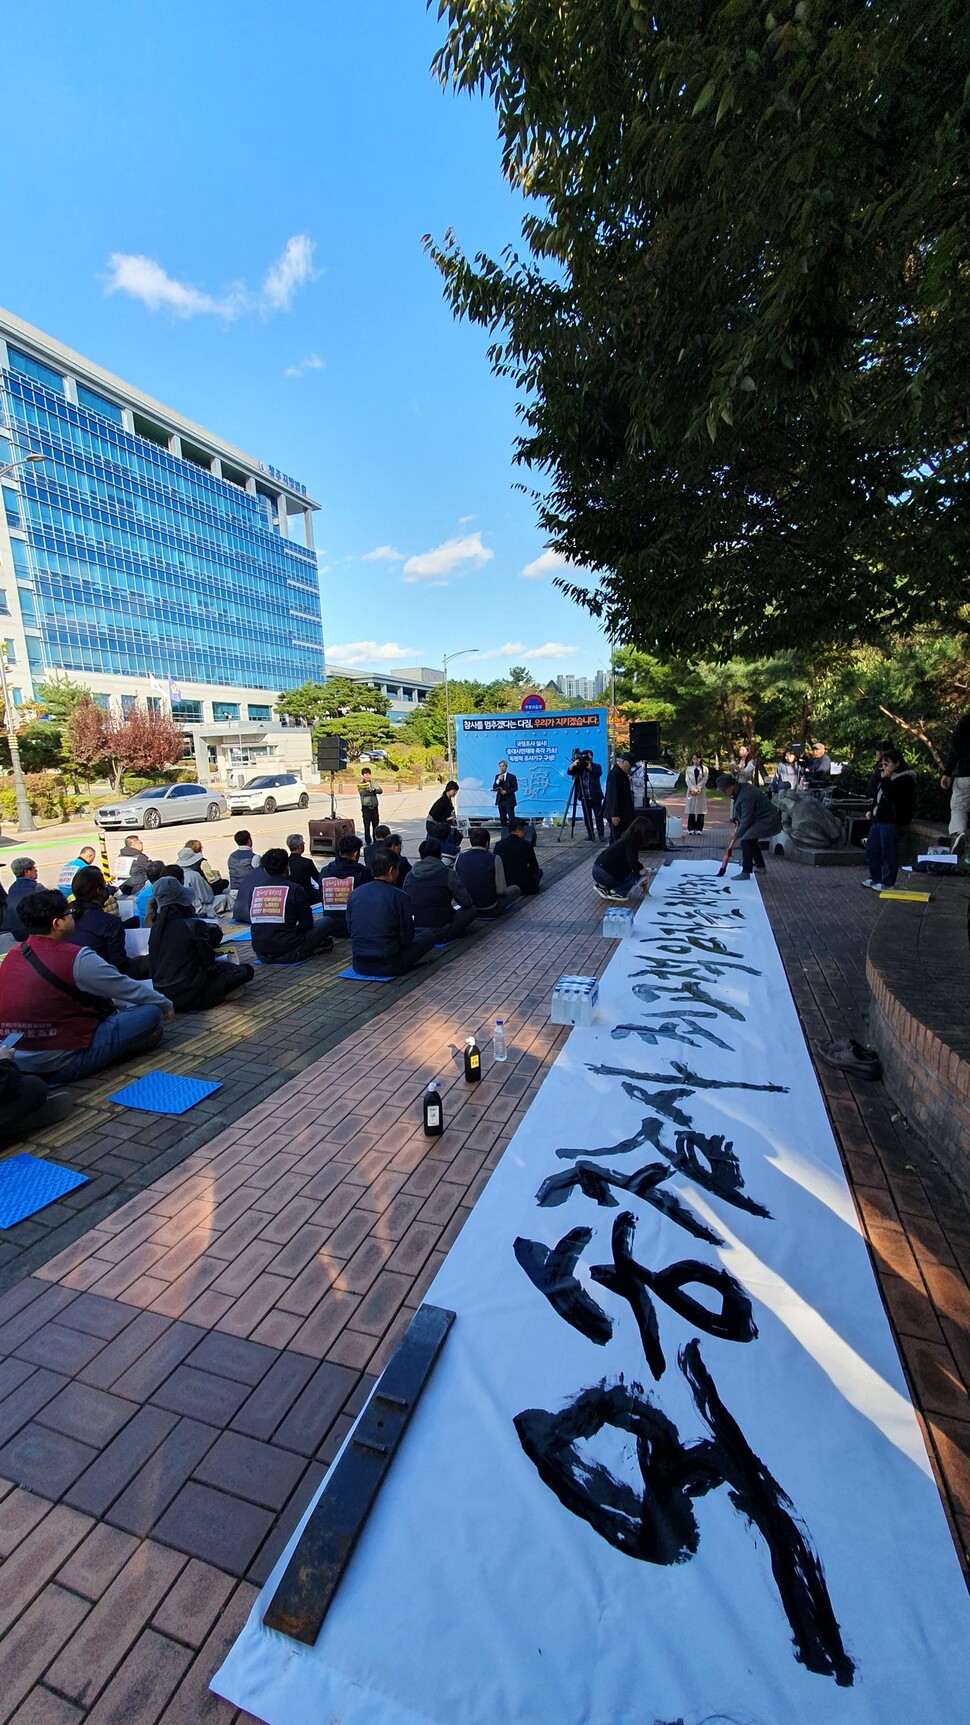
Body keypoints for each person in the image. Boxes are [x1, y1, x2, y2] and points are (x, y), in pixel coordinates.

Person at [0, 889, 173, 1081]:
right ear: (57, 924)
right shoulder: (76, 957)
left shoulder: (14, 954)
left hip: (15, 1057)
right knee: (150, 1012)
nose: (73, 918)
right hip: (61, 1061)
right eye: (69, 914)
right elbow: (127, 988)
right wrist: (165, 1004)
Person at [148, 876, 254, 1011]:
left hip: (164, 993)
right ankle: (219, 996)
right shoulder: (193, 926)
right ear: (183, 901)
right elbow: (210, 967)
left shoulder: (156, 928)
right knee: (245, 970)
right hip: (192, 993)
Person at [346, 847, 437, 976]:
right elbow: (406, 938)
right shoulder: (400, 896)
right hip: (390, 964)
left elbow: (351, 929)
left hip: (360, 965)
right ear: (391, 871)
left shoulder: (354, 894)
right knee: (428, 935)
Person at [248, 848, 336, 963]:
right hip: (288, 950)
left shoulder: (255, 890)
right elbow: (307, 924)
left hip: (261, 952)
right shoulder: (295, 889)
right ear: (287, 867)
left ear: (265, 870)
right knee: (327, 921)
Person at [70, 866, 147, 976]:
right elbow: (119, 964)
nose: (107, 888)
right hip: (102, 977)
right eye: (105, 885)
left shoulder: (68, 915)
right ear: (99, 891)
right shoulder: (109, 922)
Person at [862, 749, 917, 890]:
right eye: (882, 764)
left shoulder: (906, 780)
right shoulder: (885, 777)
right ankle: (875, 877)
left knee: (889, 852)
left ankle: (887, 882)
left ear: (897, 763)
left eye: (887, 764)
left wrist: (886, 780)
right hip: (878, 819)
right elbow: (877, 795)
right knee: (872, 849)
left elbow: (893, 796)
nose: (884, 767)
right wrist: (871, 809)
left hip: (892, 821)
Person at [405, 837, 478, 939]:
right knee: (472, 910)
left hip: (416, 928)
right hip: (442, 929)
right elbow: (466, 902)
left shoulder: (410, 875)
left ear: (420, 856)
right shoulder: (448, 873)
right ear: (440, 855)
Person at [716, 775, 782, 879]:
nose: (724, 792)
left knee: (746, 840)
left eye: (725, 789)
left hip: (767, 819)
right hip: (758, 818)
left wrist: (737, 835)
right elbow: (741, 812)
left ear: (732, 785)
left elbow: (747, 819)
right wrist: (737, 821)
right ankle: (761, 867)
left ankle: (746, 872)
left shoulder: (746, 794)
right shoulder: (739, 790)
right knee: (751, 839)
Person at [455, 827, 522, 915]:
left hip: (467, 903)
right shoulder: (494, 858)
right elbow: (501, 891)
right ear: (487, 843)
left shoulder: (460, 857)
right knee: (515, 889)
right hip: (489, 905)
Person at [592, 815, 659, 899]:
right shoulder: (632, 842)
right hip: (604, 873)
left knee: (634, 872)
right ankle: (618, 892)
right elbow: (633, 863)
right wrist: (644, 873)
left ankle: (603, 886)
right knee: (637, 876)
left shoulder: (626, 838)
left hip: (597, 869)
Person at [319, 834, 372, 933]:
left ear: (339, 852)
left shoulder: (325, 871)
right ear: (356, 853)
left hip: (330, 925)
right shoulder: (363, 872)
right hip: (356, 926)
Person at [940, 711, 970, 853]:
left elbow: (955, 750)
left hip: (965, 773)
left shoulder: (965, 722)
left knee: (959, 807)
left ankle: (959, 833)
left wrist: (947, 772)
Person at [176, 842, 231, 915]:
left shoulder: (177, 872)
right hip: (198, 908)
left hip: (183, 908)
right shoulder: (193, 875)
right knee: (223, 898)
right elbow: (206, 898)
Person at [495, 815, 543, 896]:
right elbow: (534, 867)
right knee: (540, 872)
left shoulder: (499, 844)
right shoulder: (526, 845)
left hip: (505, 883)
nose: (525, 832)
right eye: (524, 830)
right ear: (518, 830)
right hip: (524, 886)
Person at [568, 749, 605, 839]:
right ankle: (590, 834)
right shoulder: (579, 767)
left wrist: (590, 768)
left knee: (598, 816)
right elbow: (569, 772)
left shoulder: (596, 766)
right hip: (584, 797)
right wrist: (573, 765)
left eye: (587, 757)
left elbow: (598, 773)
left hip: (595, 796)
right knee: (587, 817)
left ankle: (601, 835)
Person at [4, 858, 42, 940]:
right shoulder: (36, 887)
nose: (36, 871)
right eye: (33, 868)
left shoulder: (12, 888)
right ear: (26, 871)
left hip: (16, 933)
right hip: (33, 932)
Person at [603, 754, 635, 835]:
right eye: (629, 765)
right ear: (623, 762)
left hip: (624, 813)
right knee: (617, 838)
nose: (630, 767)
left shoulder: (623, 774)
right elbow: (612, 795)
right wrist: (614, 814)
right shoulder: (615, 774)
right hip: (617, 814)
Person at [227, 831, 261, 903]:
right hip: (248, 891)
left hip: (233, 892)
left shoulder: (231, 856)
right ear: (249, 841)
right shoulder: (254, 857)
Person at [287, 834, 322, 901]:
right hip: (305, 895)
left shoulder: (285, 862)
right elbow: (318, 879)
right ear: (300, 847)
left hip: (290, 894)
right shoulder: (306, 862)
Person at [492, 760, 519, 837]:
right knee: (502, 818)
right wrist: (498, 780)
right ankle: (504, 834)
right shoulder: (497, 776)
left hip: (509, 800)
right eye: (500, 766)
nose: (502, 768)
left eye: (503, 766)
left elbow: (515, 788)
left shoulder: (512, 776)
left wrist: (506, 791)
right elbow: (494, 787)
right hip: (501, 800)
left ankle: (513, 834)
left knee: (511, 818)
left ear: (506, 767)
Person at [358, 768, 383, 844]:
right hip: (366, 807)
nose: (368, 776)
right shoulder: (361, 784)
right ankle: (368, 841)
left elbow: (380, 790)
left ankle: (376, 840)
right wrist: (373, 792)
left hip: (374, 807)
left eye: (369, 774)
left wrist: (373, 791)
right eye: (366, 774)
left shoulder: (373, 783)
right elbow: (363, 793)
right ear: (362, 775)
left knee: (376, 825)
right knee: (367, 825)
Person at [684, 755, 709, 832]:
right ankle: (691, 828)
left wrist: (698, 788)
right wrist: (692, 788)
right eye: (694, 759)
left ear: (700, 759)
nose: (695, 761)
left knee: (701, 810)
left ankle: (699, 828)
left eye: (697, 759)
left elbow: (705, 780)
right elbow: (687, 780)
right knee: (691, 809)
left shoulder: (705, 769)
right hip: (691, 791)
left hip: (700, 791)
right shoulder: (689, 769)